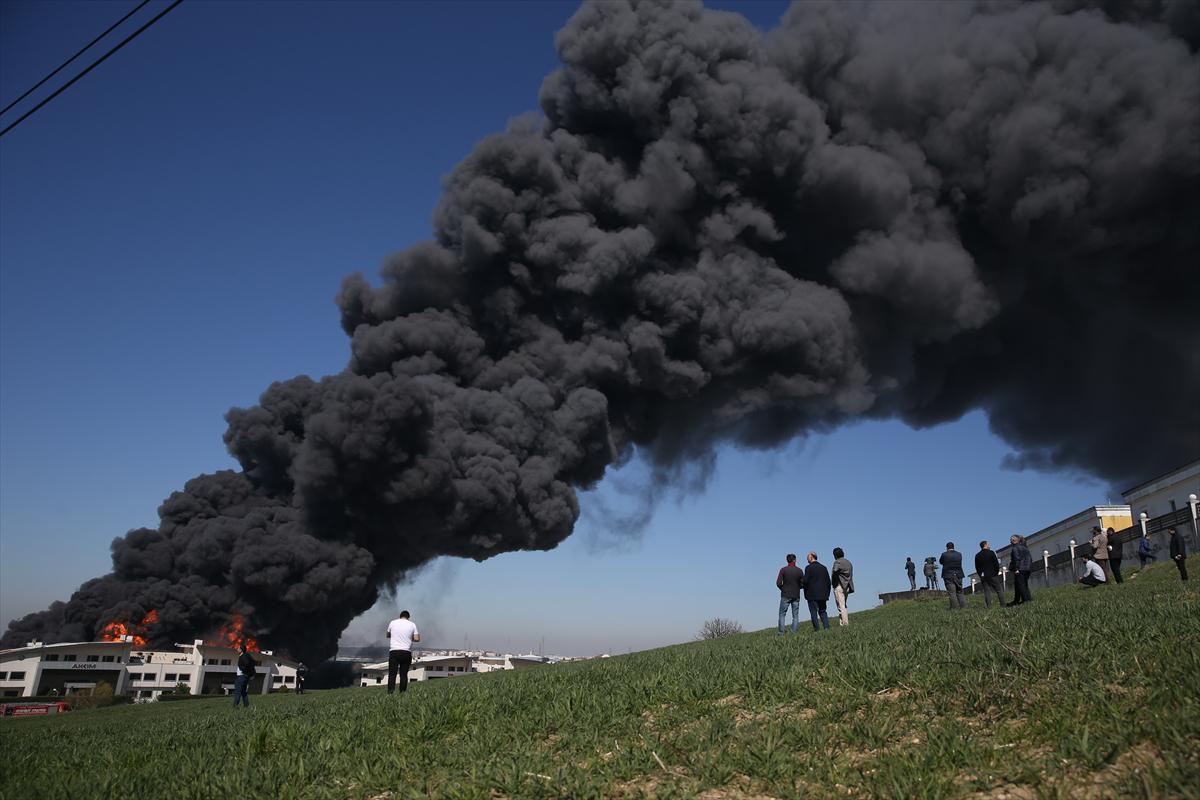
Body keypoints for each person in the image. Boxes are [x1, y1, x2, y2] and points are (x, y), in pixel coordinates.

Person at [386, 610, 421, 694]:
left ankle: (390, 692)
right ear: (408, 617)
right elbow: (417, 639)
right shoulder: (412, 624)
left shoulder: (392, 622)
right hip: (406, 652)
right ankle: (402, 693)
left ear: (400, 616)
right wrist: (409, 637)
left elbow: (387, 635)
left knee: (392, 674)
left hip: (394, 651)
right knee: (404, 674)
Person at [776, 554, 804, 634]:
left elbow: (778, 583)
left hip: (785, 594)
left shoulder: (783, 570)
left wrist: (783, 588)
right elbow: (803, 584)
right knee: (795, 615)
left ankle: (781, 632)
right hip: (796, 595)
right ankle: (793, 632)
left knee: (782, 614)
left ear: (787, 560)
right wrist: (798, 588)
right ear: (794, 560)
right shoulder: (799, 571)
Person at [803, 552, 831, 631]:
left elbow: (805, 581)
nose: (807, 559)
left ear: (811, 557)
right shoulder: (824, 567)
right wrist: (827, 594)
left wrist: (801, 583)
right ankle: (826, 627)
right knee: (823, 611)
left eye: (808, 557)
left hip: (812, 595)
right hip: (823, 594)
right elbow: (828, 582)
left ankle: (817, 629)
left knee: (813, 612)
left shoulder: (808, 568)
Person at [974, 540, 1006, 609]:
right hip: (992, 574)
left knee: (987, 591)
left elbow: (977, 567)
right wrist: (996, 572)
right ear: (985, 545)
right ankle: (1003, 605)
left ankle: (989, 606)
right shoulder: (991, 553)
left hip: (984, 576)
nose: (989, 545)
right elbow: (996, 564)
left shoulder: (977, 555)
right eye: (988, 544)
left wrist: (980, 575)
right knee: (999, 590)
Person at [831, 548, 854, 627]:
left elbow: (834, 571)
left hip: (839, 586)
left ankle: (845, 624)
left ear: (835, 555)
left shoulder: (837, 562)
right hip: (847, 586)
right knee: (843, 605)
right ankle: (842, 624)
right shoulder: (848, 562)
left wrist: (833, 584)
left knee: (841, 606)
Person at [940, 542, 966, 609]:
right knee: (960, 591)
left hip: (948, 575)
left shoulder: (944, 554)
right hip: (959, 574)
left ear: (947, 547)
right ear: (953, 547)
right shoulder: (959, 554)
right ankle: (963, 607)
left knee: (952, 593)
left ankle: (954, 608)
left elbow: (941, 562)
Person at [1009, 534, 1034, 605]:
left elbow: (1016, 559)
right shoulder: (1025, 548)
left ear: (1014, 541)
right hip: (1027, 568)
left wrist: (1016, 569)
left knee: (1021, 585)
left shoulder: (1015, 548)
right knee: (1025, 585)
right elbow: (1030, 558)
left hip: (1020, 569)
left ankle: (1026, 600)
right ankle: (1028, 599)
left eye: (1011, 540)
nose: (1010, 542)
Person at [233, 643, 255, 708]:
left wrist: (244, 671)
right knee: (243, 692)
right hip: (245, 677)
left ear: (241, 650)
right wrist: (251, 674)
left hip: (242, 677)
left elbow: (247, 664)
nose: (237, 649)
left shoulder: (244, 656)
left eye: (238, 648)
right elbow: (252, 664)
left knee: (237, 691)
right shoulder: (246, 655)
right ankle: (246, 705)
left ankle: (235, 706)